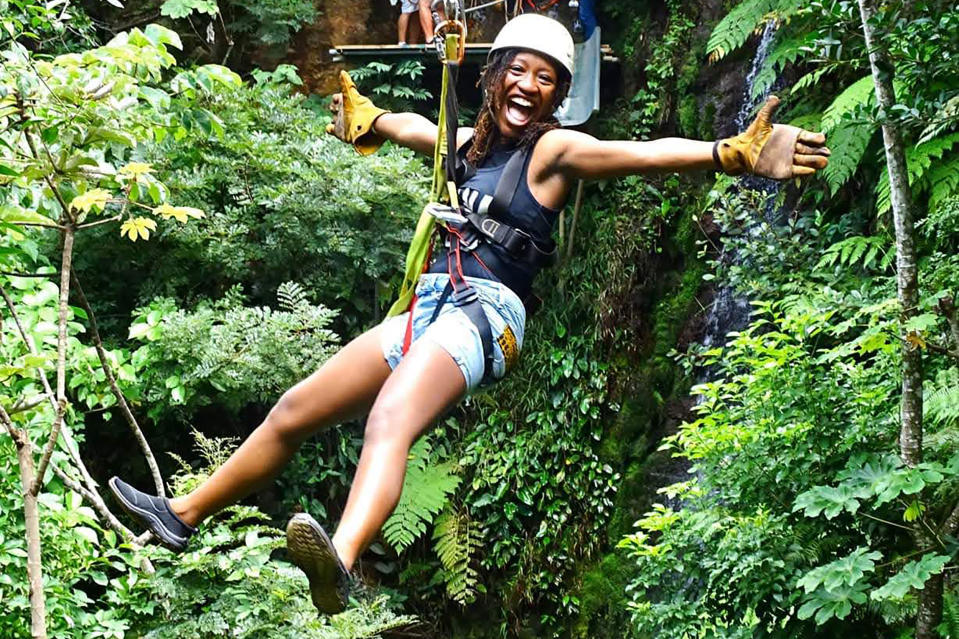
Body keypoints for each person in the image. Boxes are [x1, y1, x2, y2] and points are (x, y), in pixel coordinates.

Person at [108, 14, 829, 615]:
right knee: (296, 409)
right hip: (429, 307)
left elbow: (634, 152)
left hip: (485, 312)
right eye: (518, 70)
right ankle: (182, 514)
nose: (529, 85)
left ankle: (342, 560)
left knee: (392, 416)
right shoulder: (466, 147)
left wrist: (725, 153)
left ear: (555, 98)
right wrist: (369, 120)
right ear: (492, 77)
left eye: (545, 78)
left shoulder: (553, 151)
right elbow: (414, 127)